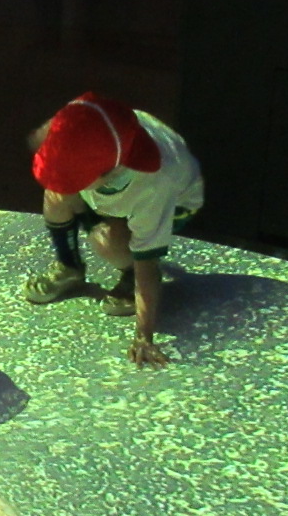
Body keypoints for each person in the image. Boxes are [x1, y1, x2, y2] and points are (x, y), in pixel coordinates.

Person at [21, 93, 203, 369]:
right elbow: (51, 131)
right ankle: (69, 268)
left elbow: (148, 265)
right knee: (55, 193)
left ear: (108, 173)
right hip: (109, 186)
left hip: (172, 203)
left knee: (108, 243)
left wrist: (144, 336)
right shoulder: (88, 121)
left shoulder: (153, 187)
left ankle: (127, 274)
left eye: (76, 178)